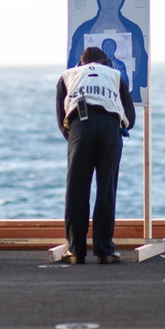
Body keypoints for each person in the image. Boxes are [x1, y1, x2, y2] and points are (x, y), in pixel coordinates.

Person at [56, 46, 136, 264]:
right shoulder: (115, 75)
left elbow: (61, 116)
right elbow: (130, 115)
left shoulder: (67, 76)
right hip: (110, 128)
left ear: (81, 62)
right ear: (105, 62)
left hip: (80, 127)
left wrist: (74, 138)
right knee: (106, 189)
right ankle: (105, 250)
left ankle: (76, 250)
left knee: (77, 191)